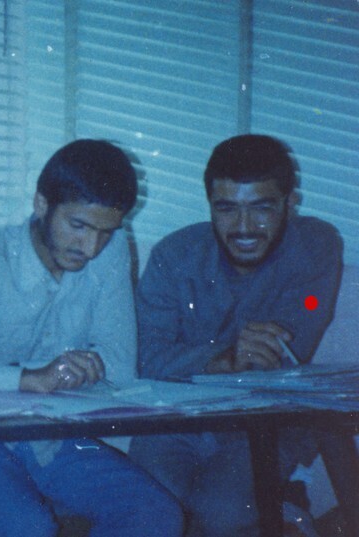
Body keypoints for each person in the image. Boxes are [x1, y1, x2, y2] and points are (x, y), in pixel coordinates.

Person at [0, 139, 184, 537]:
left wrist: (69, 372)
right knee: (28, 528)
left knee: (155, 514)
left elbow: (120, 369)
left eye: (105, 232)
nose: (91, 247)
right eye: (78, 226)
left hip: (52, 439)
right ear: (41, 204)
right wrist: (28, 379)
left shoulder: (111, 251)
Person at [129, 134, 343, 536]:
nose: (244, 228)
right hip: (177, 422)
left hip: (265, 421)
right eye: (227, 208)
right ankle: (280, 508)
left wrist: (196, 361)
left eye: (261, 208)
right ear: (210, 204)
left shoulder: (316, 245)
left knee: (221, 511)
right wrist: (223, 360)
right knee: (152, 507)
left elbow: (285, 346)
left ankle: (281, 507)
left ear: (290, 203)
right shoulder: (173, 256)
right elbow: (144, 357)